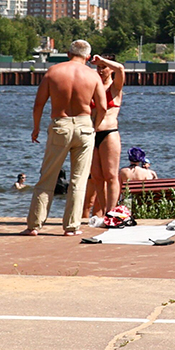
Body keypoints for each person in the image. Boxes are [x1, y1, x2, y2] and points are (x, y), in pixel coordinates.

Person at [22, 39, 106, 237]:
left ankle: (34, 225)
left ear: (68, 54)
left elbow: (38, 104)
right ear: (88, 57)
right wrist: (95, 126)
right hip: (85, 126)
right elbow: (102, 107)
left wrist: (36, 128)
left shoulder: (54, 72)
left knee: (48, 177)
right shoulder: (93, 76)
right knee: (79, 180)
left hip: (60, 124)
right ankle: (71, 227)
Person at [87, 54, 125, 219]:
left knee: (110, 176)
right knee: (97, 177)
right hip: (92, 134)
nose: (101, 70)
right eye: (98, 67)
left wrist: (102, 60)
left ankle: (112, 211)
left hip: (109, 133)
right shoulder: (93, 87)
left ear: (110, 68)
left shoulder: (115, 87)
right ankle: (104, 212)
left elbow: (121, 68)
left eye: (103, 67)